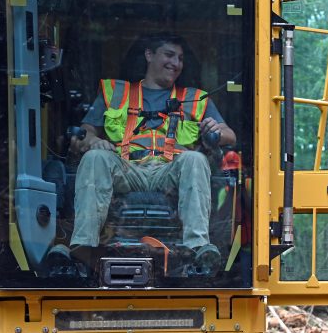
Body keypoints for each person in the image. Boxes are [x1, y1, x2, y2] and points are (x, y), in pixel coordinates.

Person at [57, 34, 235, 270]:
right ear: (149, 55)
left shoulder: (195, 98)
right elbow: (84, 133)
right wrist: (93, 142)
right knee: (95, 157)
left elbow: (230, 135)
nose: (176, 63)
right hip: (126, 168)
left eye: (180, 58)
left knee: (195, 159)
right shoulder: (115, 93)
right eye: (169, 55)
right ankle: (83, 248)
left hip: (170, 171)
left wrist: (215, 131)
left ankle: (197, 248)